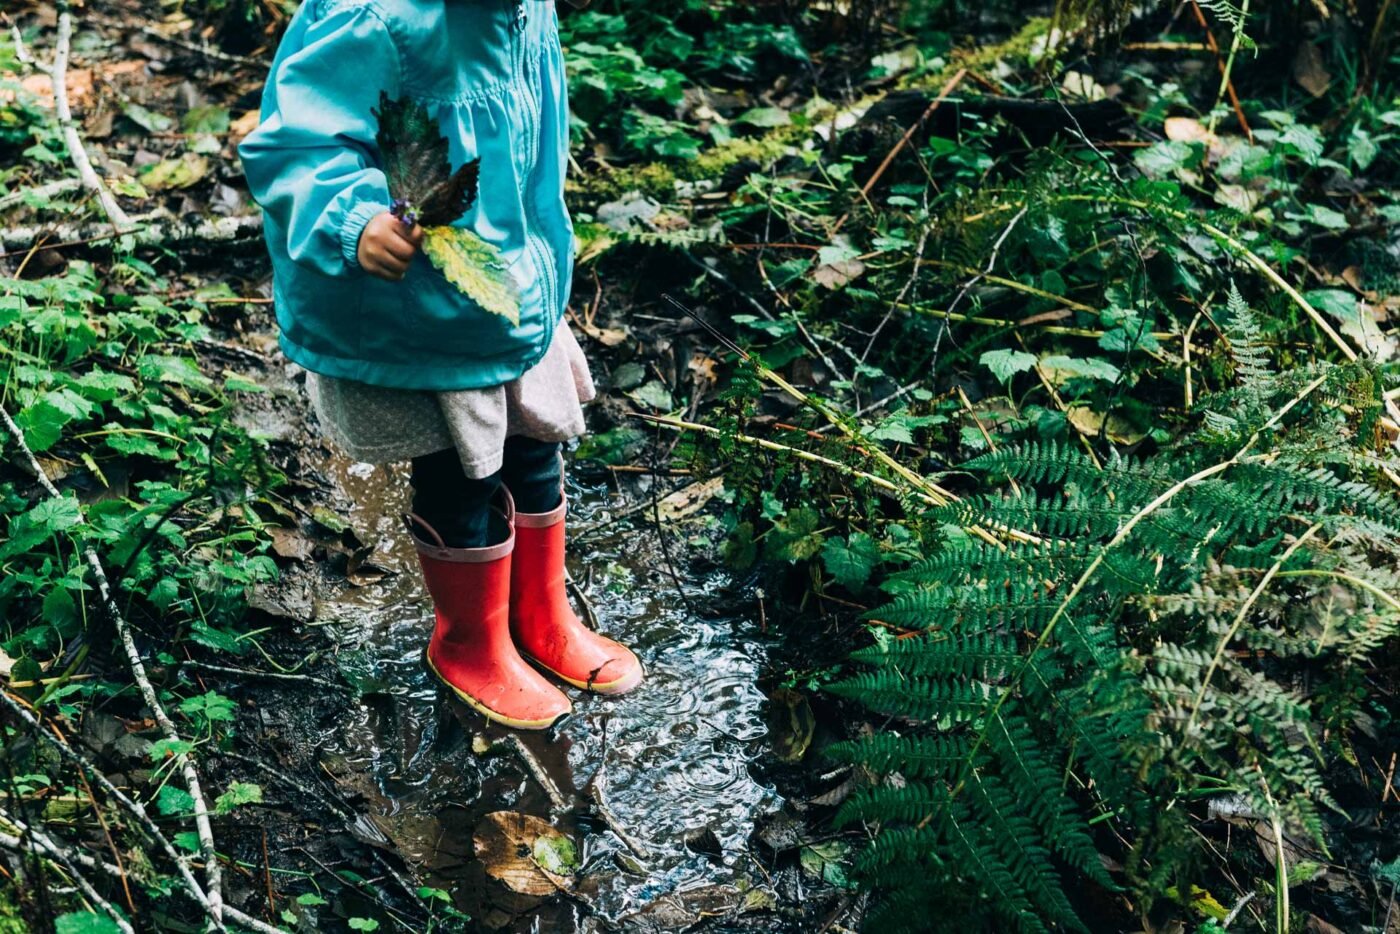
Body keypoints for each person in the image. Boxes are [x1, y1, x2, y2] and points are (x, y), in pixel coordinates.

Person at [238, 0, 642, 731]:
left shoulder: (526, 11)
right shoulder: (376, 19)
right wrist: (352, 217)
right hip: (422, 304)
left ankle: (539, 612)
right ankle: (471, 642)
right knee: (462, 472)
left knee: (536, 443)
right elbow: (293, 144)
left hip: (510, 283)